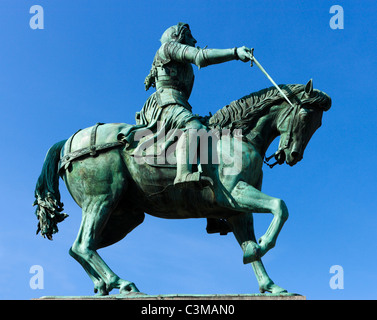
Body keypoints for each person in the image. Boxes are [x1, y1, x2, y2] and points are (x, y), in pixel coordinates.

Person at [144, 22, 253, 189]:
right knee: (194, 127)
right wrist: (235, 52)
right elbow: (200, 57)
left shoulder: (185, 66)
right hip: (164, 103)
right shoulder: (168, 48)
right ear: (176, 37)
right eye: (188, 36)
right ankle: (183, 174)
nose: (194, 40)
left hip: (179, 105)